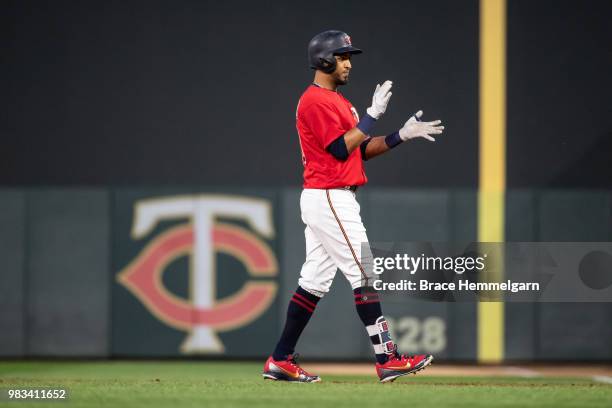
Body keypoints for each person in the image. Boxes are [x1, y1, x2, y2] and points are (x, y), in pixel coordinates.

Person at [262, 30, 444, 383]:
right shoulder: (315, 100)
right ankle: (387, 358)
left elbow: (359, 150)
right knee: (364, 272)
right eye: (343, 56)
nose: (348, 64)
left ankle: (281, 359)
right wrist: (372, 117)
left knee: (314, 282)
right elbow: (339, 150)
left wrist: (399, 136)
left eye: (348, 57)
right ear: (324, 60)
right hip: (330, 195)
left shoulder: (341, 103)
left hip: (331, 195)